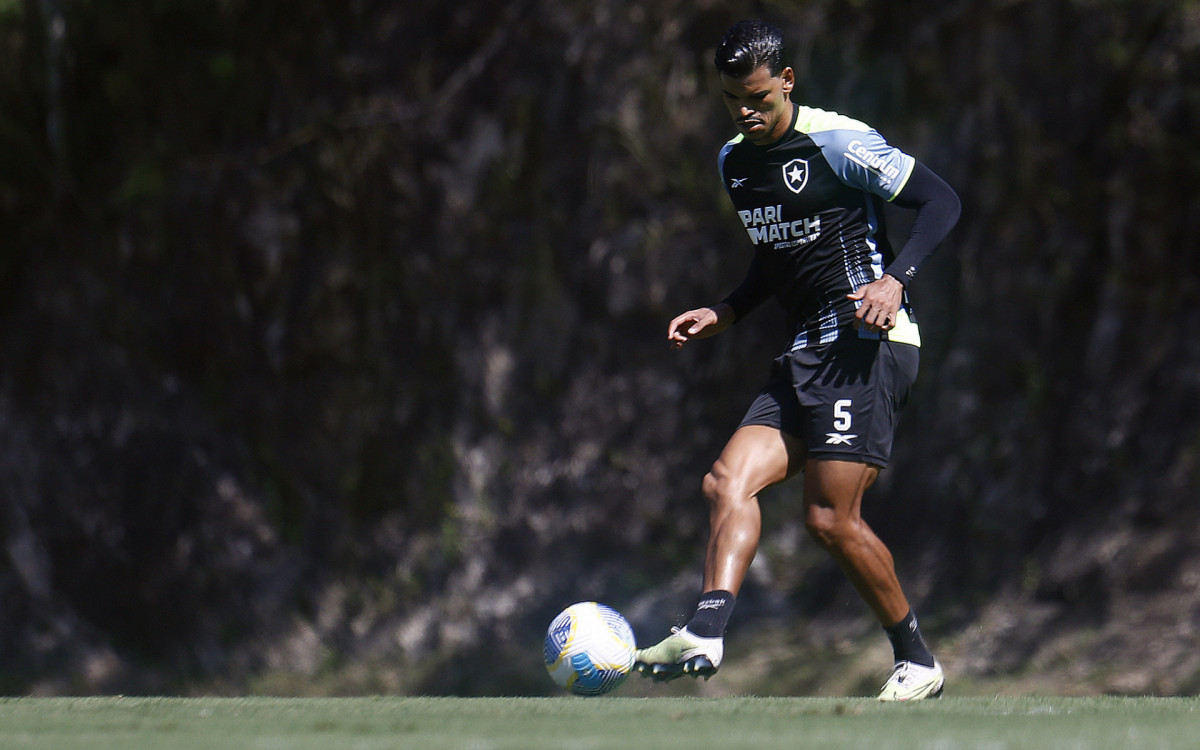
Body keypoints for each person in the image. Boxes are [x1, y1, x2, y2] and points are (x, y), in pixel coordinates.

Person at [633, 19, 960, 701]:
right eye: (732, 101)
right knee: (726, 481)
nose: (746, 113)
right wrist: (725, 310)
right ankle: (706, 630)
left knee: (829, 518)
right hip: (806, 347)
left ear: (786, 81)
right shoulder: (735, 162)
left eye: (758, 97)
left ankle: (917, 660)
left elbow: (940, 201)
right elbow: (775, 257)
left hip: (869, 342)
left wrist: (896, 278)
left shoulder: (840, 141)